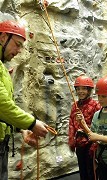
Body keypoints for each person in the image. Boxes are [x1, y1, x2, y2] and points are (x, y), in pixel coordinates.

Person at [0, 20, 49, 180]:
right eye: (17, 44)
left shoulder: (2, 67)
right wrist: (32, 123)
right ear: (3, 38)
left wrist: (20, 129)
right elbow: (2, 105)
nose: (19, 50)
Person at [68, 75, 101, 180]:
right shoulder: (75, 106)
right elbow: (71, 123)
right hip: (79, 143)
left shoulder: (96, 105)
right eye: (78, 89)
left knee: (91, 171)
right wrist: (71, 140)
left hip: (90, 142)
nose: (80, 91)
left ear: (89, 90)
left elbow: (98, 126)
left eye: (84, 89)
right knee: (82, 170)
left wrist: (95, 144)